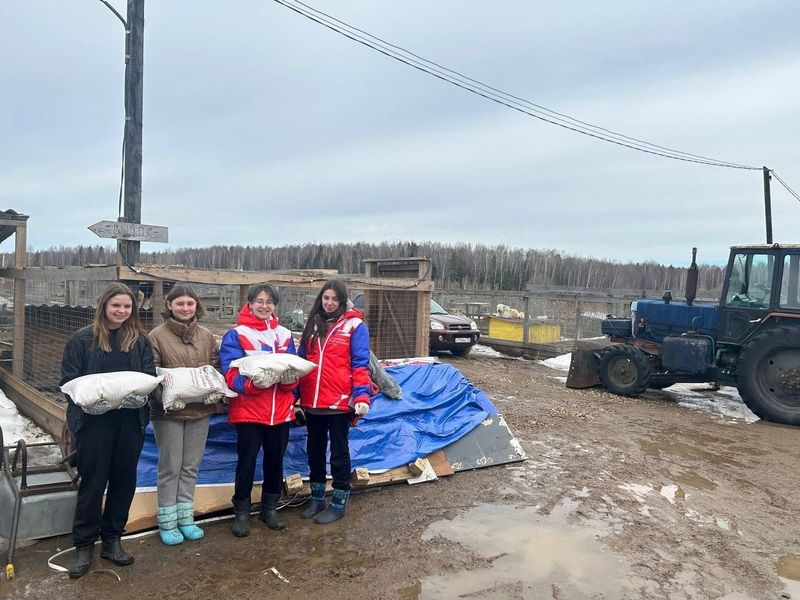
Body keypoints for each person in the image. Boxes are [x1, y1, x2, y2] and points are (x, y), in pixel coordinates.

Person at [60, 282, 156, 579]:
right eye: (116, 305)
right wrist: (90, 405)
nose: (122, 311)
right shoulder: (82, 339)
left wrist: (141, 397)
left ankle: (112, 538)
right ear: (104, 306)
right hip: (94, 423)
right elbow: (69, 381)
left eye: (127, 306)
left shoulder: (139, 341)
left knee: (124, 480)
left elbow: (149, 376)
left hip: (129, 421)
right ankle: (84, 543)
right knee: (93, 481)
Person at [148, 284, 225, 546]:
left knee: (191, 465)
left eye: (189, 304)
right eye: (179, 303)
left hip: (200, 412)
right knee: (170, 466)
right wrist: (167, 398)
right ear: (169, 305)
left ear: (196, 306)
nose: (185, 308)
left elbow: (215, 367)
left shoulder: (206, 336)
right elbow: (152, 375)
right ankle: (167, 521)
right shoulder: (156, 336)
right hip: (169, 413)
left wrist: (215, 391)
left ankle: (186, 518)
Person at [220, 283, 297, 537]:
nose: (265, 306)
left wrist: (291, 383)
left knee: (275, 461)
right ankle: (241, 512)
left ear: (275, 306)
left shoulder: (285, 335)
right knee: (247, 462)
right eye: (259, 301)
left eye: (269, 302)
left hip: (281, 411)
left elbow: (294, 370)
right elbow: (230, 374)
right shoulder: (237, 334)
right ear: (250, 303)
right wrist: (251, 385)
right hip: (250, 411)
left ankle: (270, 508)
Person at [296, 279, 372, 524]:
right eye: (325, 298)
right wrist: (294, 396)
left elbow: (360, 364)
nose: (329, 303)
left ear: (342, 300)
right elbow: (300, 363)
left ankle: (339, 502)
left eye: (334, 299)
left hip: (339, 401)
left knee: (339, 452)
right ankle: (317, 498)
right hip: (312, 400)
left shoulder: (354, 325)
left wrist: (361, 396)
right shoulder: (313, 324)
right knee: (314, 451)